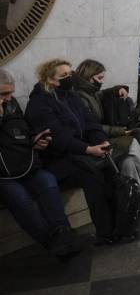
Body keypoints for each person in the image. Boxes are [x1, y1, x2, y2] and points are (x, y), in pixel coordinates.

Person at [25, 59, 121, 245]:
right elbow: (57, 137)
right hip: (55, 159)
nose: (70, 78)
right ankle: (105, 232)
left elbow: (90, 122)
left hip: (77, 152)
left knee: (109, 167)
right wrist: (88, 149)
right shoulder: (39, 103)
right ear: (50, 80)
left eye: (71, 74)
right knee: (91, 173)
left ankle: (119, 223)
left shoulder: (71, 96)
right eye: (64, 76)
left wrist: (101, 141)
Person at [0, 69, 82, 258]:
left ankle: (64, 235)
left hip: (24, 164)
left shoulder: (13, 106)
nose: (9, 97)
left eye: (10, 92)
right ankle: (52, 242)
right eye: (4, 94)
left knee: (47, 181)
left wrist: (34, 141)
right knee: (19, 197)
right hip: (3, 175)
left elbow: (21, 134)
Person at [73, 59, 140, 215]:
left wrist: (118, 89)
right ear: (89, 76)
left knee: (128, 161)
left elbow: (101, 94)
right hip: (93, 142)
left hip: (100, 136)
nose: (101, 81)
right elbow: (91, 127)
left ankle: (137, 202)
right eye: (99, 78)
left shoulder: (89, 91)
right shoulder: (80, 97)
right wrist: (120, 131)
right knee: (132, 141)